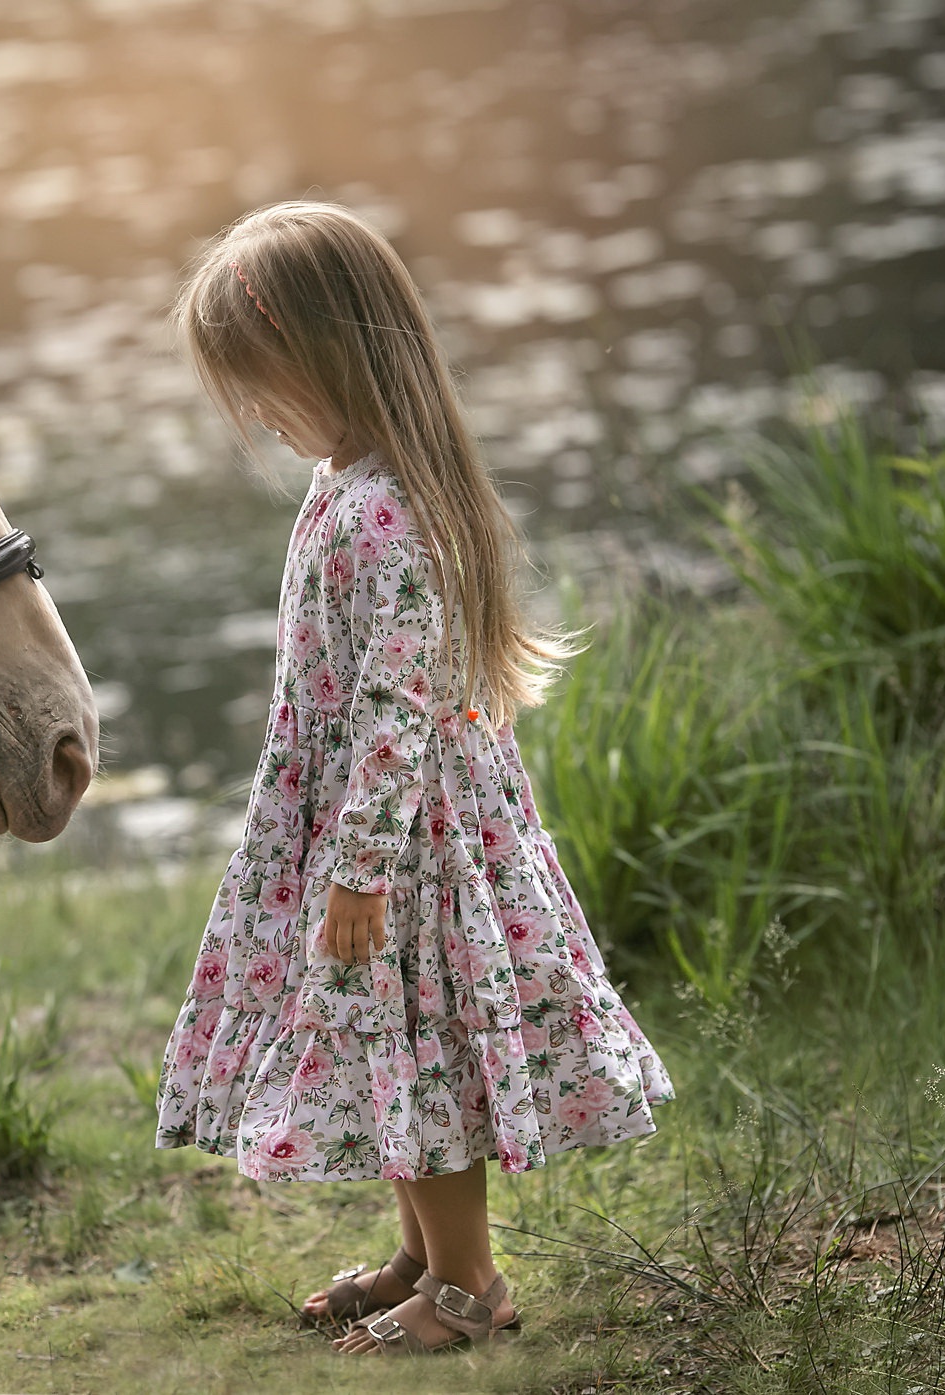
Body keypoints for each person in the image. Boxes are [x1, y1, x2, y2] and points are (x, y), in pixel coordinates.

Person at [153, 202, 675, 1355]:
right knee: (376, 1039)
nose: (256, 414)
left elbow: (396, 708)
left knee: (421, 1041)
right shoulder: (349, 479)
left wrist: (357, 869)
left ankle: (467, 1285)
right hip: (355, 822)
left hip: (404, 839)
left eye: (265, 383)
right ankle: (419, 1256)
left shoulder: (387, 511)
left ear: (333, 357)